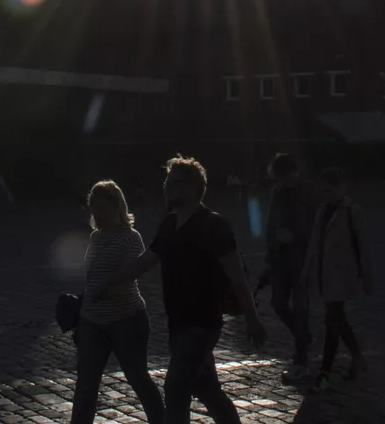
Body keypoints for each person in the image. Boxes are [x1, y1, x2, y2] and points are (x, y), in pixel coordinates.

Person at [101, 155, 265, 424]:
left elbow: (237, 277)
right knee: (207, 389)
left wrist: (253, 319)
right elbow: (146, 261)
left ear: (191, 187)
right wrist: (110, 281)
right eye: (166, 182)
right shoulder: (169, 224)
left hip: (202, 324)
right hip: (178, 323)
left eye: (172, 183)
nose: (166, 187)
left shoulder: (214, 225)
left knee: (176, 389)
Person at [69, 180, 165, 424]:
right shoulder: (96, 237)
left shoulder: (130, 238)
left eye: (101, 208)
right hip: (92, 321)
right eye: (93, 208)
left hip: (126, 319)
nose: (97, 214)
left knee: (138, 378)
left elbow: (129, 276)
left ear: (115, 208)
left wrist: (102, 290)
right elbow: (91, 275)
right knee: (86, 385)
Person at [301, 168, 373, 392]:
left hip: (342, 274)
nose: (326, 195)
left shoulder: (353, 212)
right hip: (325, 274)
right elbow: (314, 244)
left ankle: (325, 372)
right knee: (337, 318)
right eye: (322, 191)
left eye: (329, 190)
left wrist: (367, 276)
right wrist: (307, 272)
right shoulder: (321, 211)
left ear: (340, 187)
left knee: (332, 318)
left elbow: (363, 246)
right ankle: (358, 359)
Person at [259, 153, 315, 384]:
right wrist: (269, 257)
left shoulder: (309, 193)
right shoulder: (277, 192)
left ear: (293, 172)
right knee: (278, 303)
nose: (282, 181)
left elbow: (316, 226)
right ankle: (303, 336)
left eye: (285, 176)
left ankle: (301, 357)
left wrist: (295, 237)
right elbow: (271, 226)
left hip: (302, 259)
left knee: (301, 309)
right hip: (281, 260)